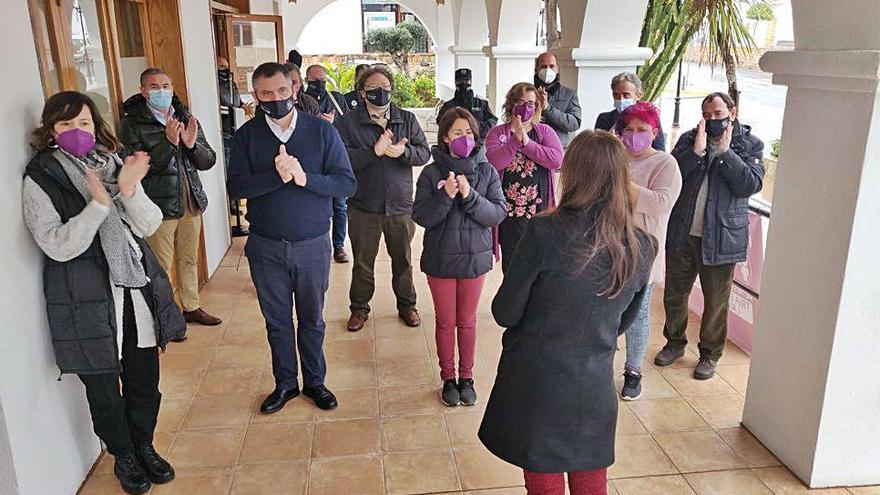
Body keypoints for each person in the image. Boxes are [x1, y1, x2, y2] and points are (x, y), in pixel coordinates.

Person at [23, 91, 185, 495]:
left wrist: (128, 190)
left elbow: (148, 225)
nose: (77, 132)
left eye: (84, 123)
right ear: (50, 131)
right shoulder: (41, 176)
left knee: (144, 378)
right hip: (88, 299)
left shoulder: (113, 164)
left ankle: (144, 444)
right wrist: (96, 206)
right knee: (102, 387)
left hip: (134, 290)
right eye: (65, 125)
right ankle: (123, 455)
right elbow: (58, 245)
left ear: (96, 126)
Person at [479, 130, 656, 495]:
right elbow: (623, 321)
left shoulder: (544, 231)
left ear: (572, 175)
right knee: (591, 481)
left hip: (537, 381)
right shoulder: (643, 246)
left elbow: (505, 311)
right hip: (592, 385)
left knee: (544, 483)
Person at [227, 62, 357, 413]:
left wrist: (304, 178)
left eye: (282, 91)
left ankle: (315, 382)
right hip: (266, 245)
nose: (276, 99)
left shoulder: (321, 132)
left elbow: (346, 183)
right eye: (266, 94)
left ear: (294, 90)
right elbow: (235, 186)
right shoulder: (246, 136)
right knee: (278, 322)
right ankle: (285, 383)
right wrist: (276, 175)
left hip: (312, 244)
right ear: (256, 96)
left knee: (313, 319)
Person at [654, 92, 764, 380]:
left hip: (722, 238)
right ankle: (674, 343)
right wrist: (697, 152)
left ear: (732, 112)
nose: (713, 119)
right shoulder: (691, 139)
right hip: (683, 233)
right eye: (707, 114)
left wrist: (726, 154)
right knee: (675, 295)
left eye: (718, 113)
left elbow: (750, 185)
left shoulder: (749, 145)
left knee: (716, 302)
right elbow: (672, 175)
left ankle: (709, 354)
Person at [412, 108, 506, 407]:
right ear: (444, 137)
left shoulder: (487, 171)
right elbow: (422, 216)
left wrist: (470, 195)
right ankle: (448, 378)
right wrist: (446, 196)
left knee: (466, 322)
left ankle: (467, 377)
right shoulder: (430, 173)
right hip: (440, 260)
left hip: (474, 261)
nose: (464, 138)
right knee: (444, 321)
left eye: (468, 133)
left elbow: (496, 214)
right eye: (457, 133)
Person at [119, 67, 221, 332]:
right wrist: (168, 143)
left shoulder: (185, 117)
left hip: (190, 201)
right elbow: (138, 168)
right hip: (159, 206)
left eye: (166, 85)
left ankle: (191, 306)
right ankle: (166, 318)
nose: (161, 91)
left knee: (189, 259)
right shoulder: (132, 124)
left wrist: (189, 144)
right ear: (143, 91)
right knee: (161, 265)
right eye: (155, 86)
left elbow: (208, 160)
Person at [335, 64, 431, 332]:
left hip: (400, 206)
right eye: (374, 89)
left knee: (403, 261)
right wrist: (372, 152)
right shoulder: (347, 123)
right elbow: (341, 160)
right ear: (362, 92)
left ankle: (407, 306)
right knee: (363, 263)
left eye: (386, 88)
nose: (381, 93)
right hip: (363, 206)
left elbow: (424, 153)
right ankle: (359, 309)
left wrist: (404, 152)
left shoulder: (406, 119)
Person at [614, 102, 682, 399]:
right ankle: (601, 364)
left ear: (654, 132)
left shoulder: (665, 164)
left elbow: (661, 203)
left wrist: (624, 185)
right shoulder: (615, 158)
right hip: (611, 250)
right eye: (629, 129)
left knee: (638, 314)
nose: (635, 136)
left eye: (642, 130)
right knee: (609, 312)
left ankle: (633, 371)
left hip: (644, 254)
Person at [485, 82, 563, 272]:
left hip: (538, 212)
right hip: (509, 215)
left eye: (531, 103)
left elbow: (556, 160)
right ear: (511, 104)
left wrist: (527, 143)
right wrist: (515, 140)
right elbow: (496, 162)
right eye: (520, 102)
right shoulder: (497, 133)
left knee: (538, 267)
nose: (526, 108)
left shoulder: (544, 132)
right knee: (512, 268)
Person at [306, 63, 352, 263]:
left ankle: (339, 246)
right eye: (316, 81)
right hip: (314, 161)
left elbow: (350, 125)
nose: (320, 84)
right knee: (316, 207)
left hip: (335, 158)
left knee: (340, 206)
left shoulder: (336, 98)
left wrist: (333, 124)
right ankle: (317, 244)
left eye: (323, 80)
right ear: (308, 81)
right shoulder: (304, 102)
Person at [595, 72, 666, 152]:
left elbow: (660, 151)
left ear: (638, 95)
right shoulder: (605, 119)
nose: (621, 99)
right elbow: (598, 151)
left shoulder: (649, 120)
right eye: (616, 95)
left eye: (626, 95)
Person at [533, 51, 582, 148]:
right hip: (532, 150)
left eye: (551, 66)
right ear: (536, 69)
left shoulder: (569, 94)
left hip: (557, 151)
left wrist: (548, 109)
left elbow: (574, 123)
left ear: (557, 69)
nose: (547, 70)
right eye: (543, 66)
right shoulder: (528, 93)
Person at [435, 68, 497, 139]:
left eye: (466, 81)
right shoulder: (448, 105)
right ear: (455, 82)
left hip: (479, 143)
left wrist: (477, 127)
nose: (463, 83)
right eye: (460, 81)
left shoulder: (481, 103)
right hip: (456, 142)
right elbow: (441, 123)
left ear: (471, 82)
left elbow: (492, 121)